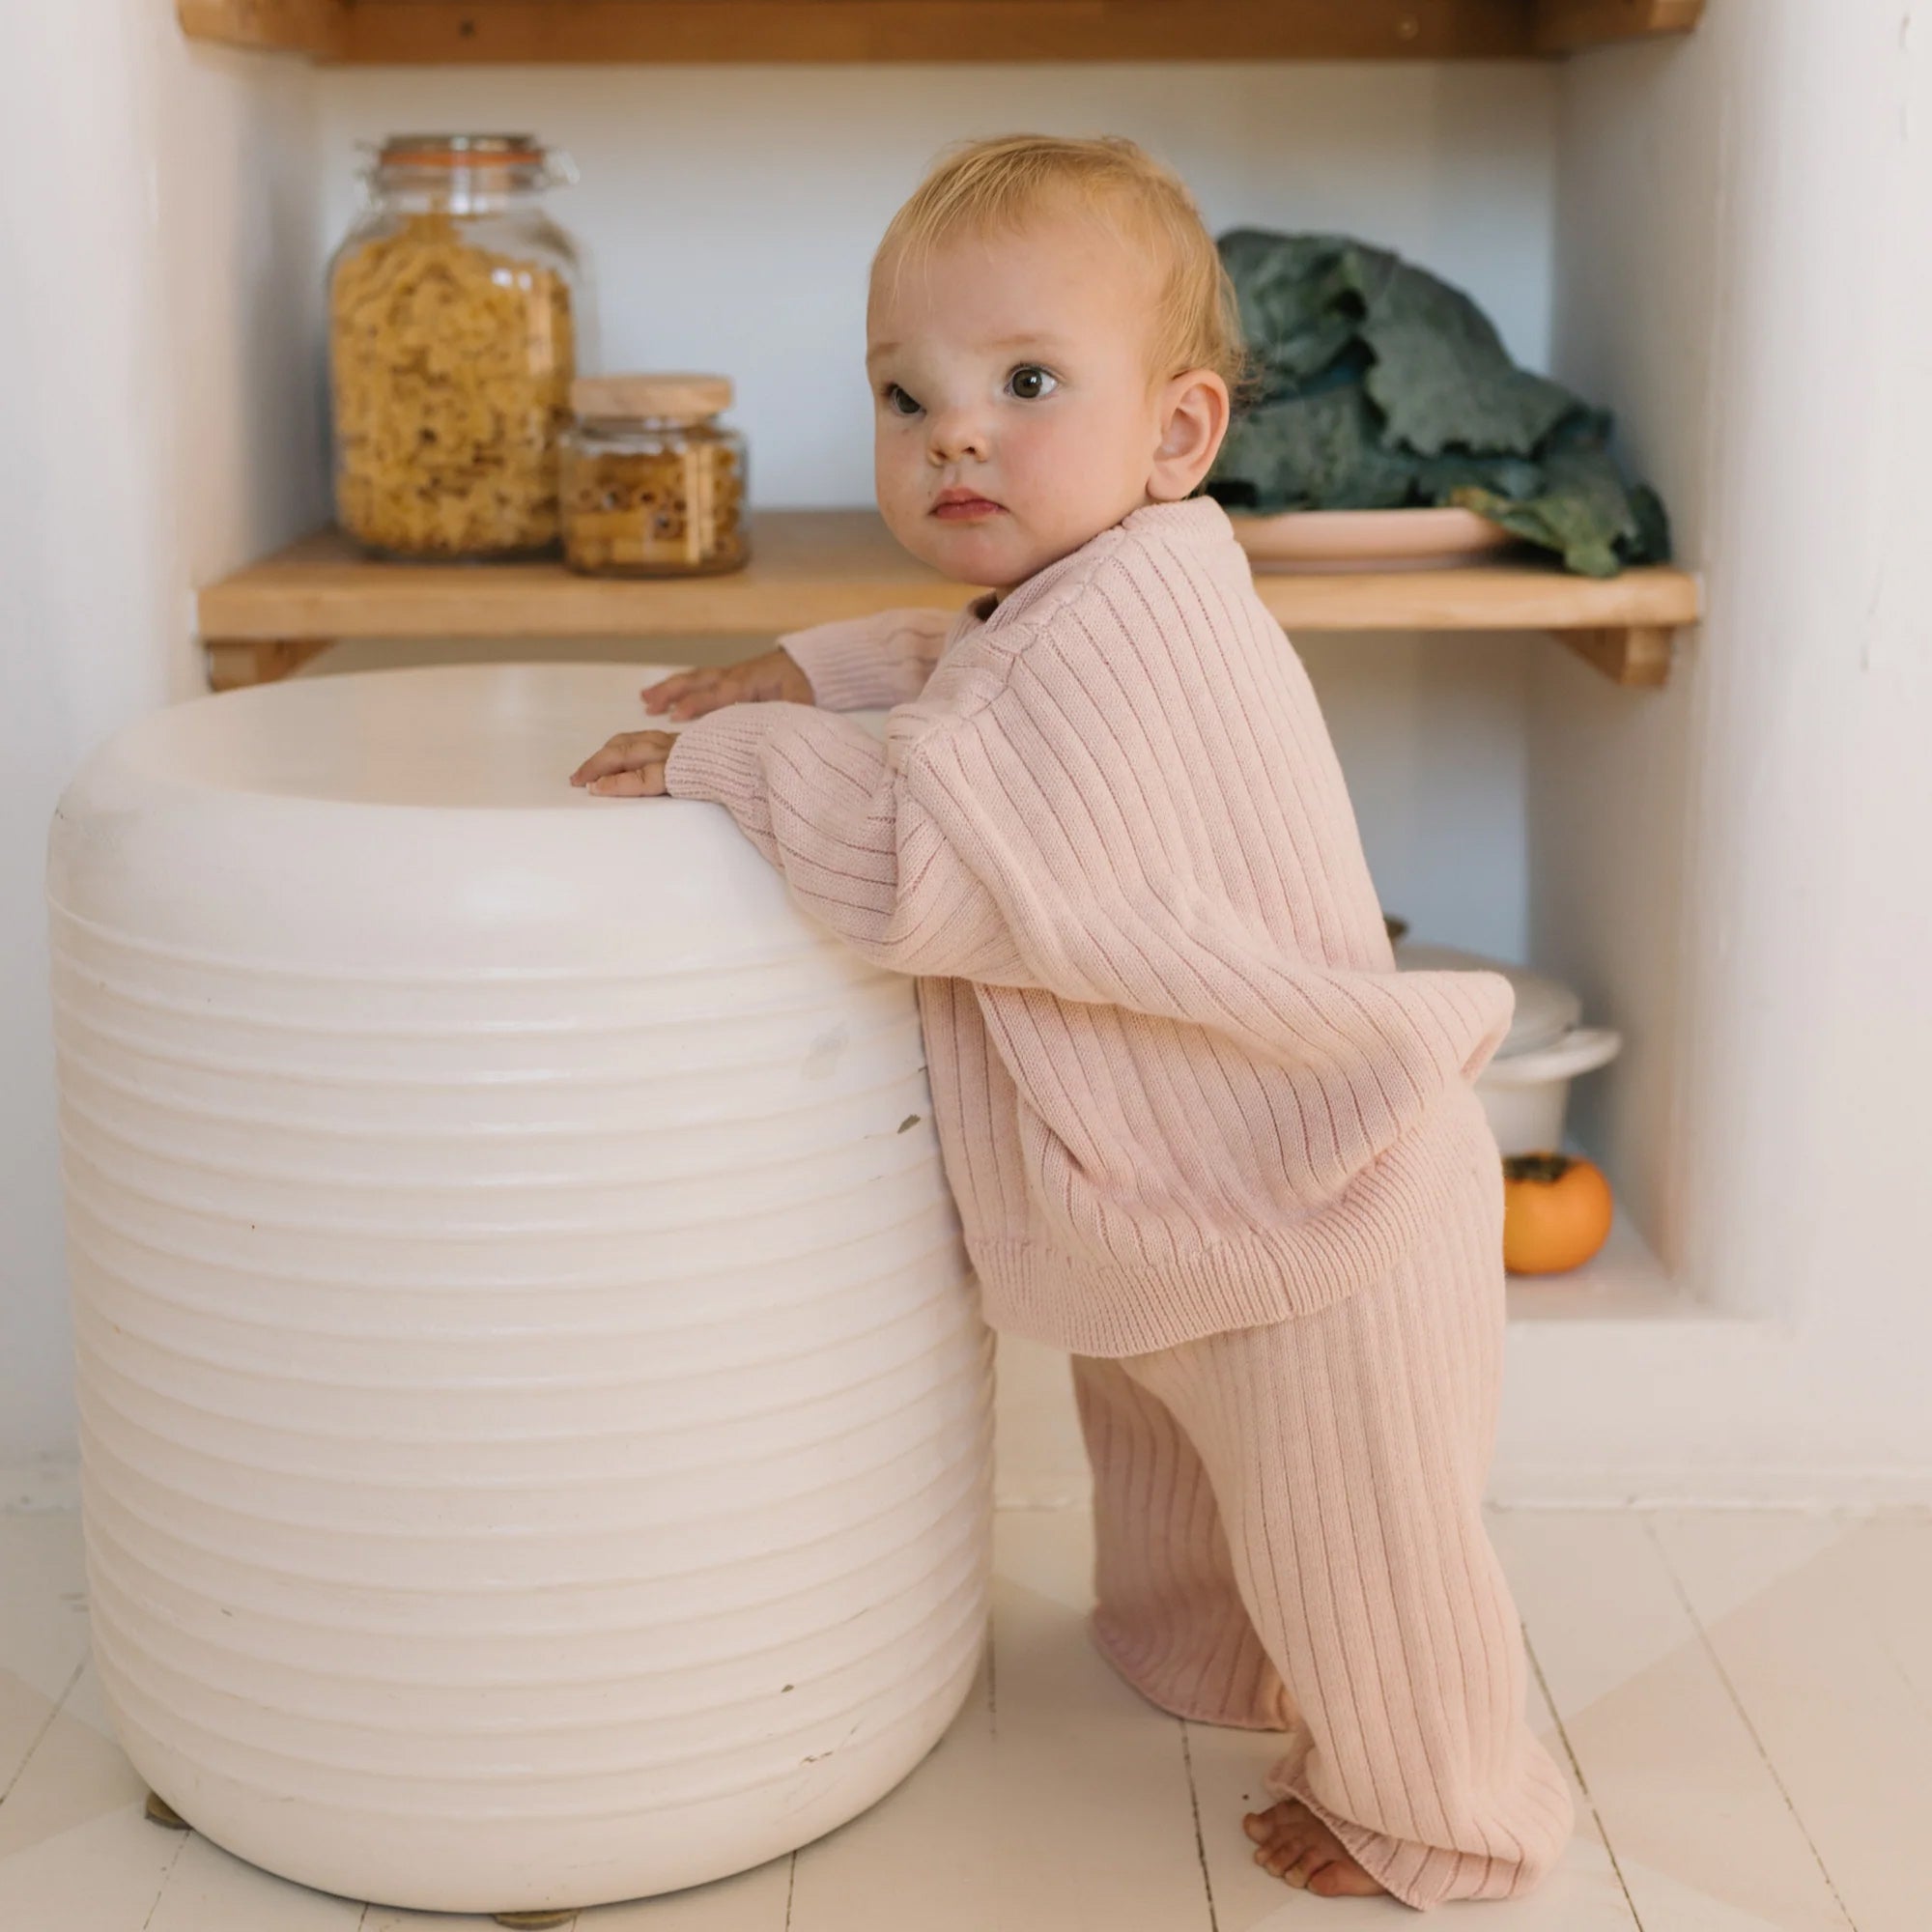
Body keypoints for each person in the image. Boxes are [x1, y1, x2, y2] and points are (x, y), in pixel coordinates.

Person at [569, 133, 1573, 1908]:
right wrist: (816, 666)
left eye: (1025, 383)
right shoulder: (1105, 585)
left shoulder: (1127, 638)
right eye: (906, 393)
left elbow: (927, 864)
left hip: (1315, 1197)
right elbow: (967, 653)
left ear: (1177, 436)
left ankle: (1438, 1811)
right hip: (1185, 1176)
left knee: (1365, 1544)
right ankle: (1199, 1662)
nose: (955, 430)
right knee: (1182, 1473)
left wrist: (735, 754)